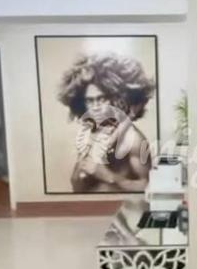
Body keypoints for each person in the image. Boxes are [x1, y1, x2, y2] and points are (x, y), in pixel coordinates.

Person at [57, 52, 155, 192]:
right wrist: (82, 168)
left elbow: (148, 186)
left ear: (116, 99)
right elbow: (76, 186)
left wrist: (110, 176)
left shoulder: (133, 140)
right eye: (90, 100)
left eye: (101, 98)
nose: (95, 107)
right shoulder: (89, 134)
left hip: (121, 204)